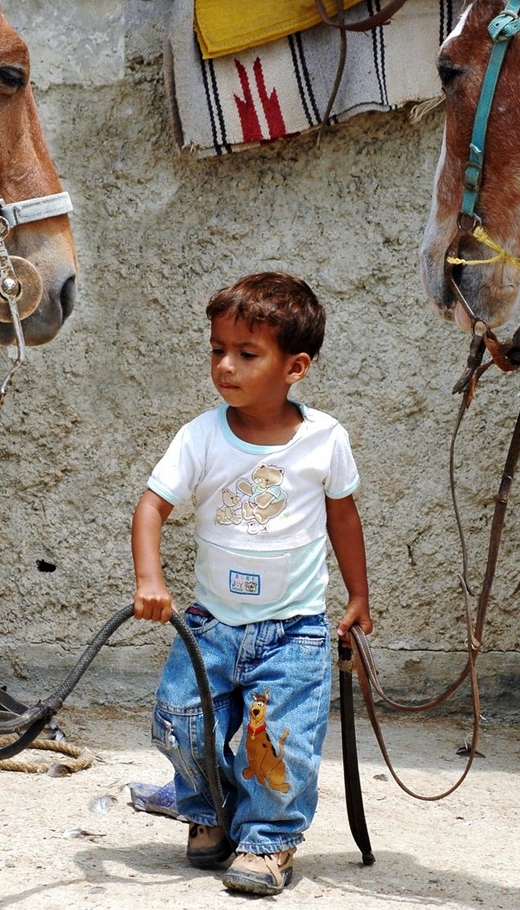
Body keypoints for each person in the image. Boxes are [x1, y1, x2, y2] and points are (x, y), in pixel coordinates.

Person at [131, 271, 372, 896]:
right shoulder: (201, 436)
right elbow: (152, 506)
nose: (225, 367)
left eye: (245, 354)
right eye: (217, 350)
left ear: (295, 367)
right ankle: (209, 812)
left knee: (276, 740)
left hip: (293, 633)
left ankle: (268, 842)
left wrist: (358, 596)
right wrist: (150, 579)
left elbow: (343, 517)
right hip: (210, 625)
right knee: (179, 722)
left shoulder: (325, 440)